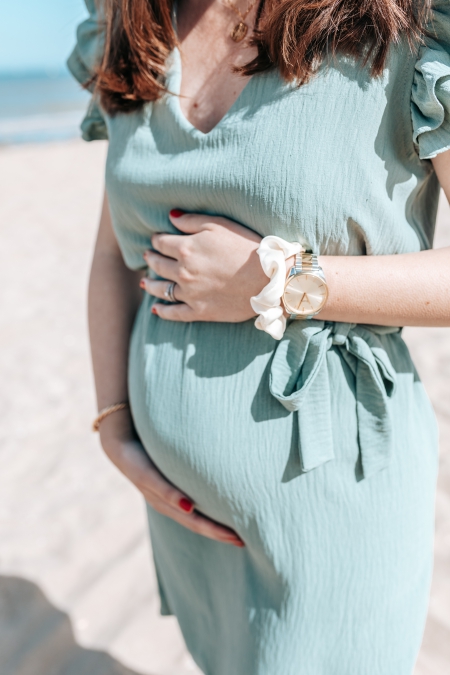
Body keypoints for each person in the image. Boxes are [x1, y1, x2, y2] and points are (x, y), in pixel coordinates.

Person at [68, 0, 450, 673]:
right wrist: (114, 424)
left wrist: (279, 279)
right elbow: (111, 256)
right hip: (190, 525)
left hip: (333, 512)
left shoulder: (411, 21)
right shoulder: (129, 21)